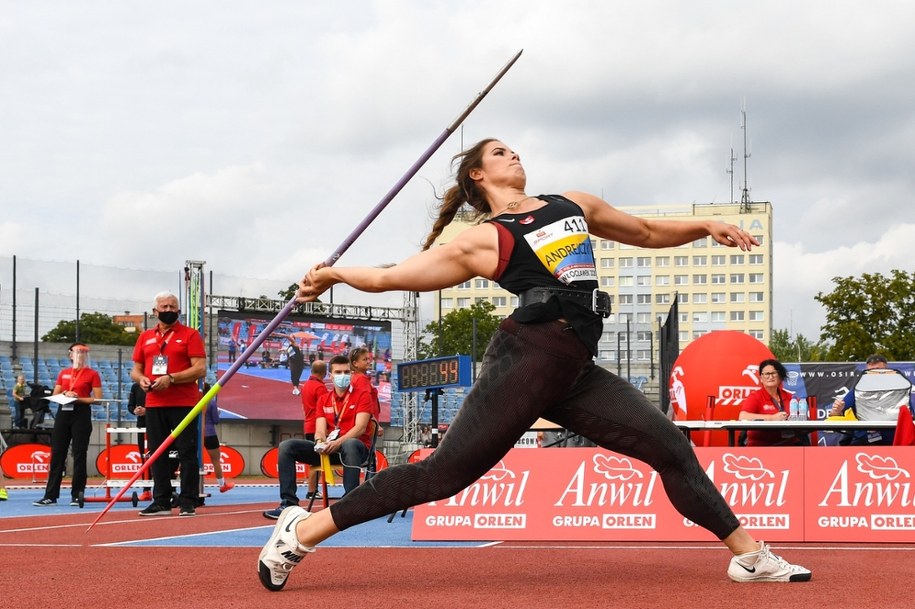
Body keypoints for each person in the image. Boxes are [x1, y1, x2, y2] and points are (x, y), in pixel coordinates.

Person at [257, 138, 811, 590]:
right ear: (477, 175)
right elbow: (391, 276)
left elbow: (643, 233)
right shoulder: (483, 239)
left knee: (669, 445)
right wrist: (333, 275)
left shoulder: (571, 204)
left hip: (573, 368)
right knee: (443, 476)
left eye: (514, 149)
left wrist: (703, 225)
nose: (514, 155)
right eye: (499, 153)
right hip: (527, 357)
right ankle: (302, 530)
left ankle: (748, 556)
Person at [262, 355, 373, 520]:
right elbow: (320, 430)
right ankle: (288, 504)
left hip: (357, 449)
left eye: (346, 372)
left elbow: (360, 428)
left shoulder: (362, 395)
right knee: (287, 446)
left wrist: (337, 442)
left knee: (350, 443)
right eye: (338, 372)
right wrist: (320, 442)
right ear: (330, 375)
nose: (343, 375)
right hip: (331, 448)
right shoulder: (324, 399)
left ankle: (351, 502)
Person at [131, 291, 206, 517]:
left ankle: (188, 501)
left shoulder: (190, 335)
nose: (168, 310)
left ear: (179, 310)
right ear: (155, 311)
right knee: (157, 452)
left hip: (183, 402)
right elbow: (135, 369)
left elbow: (200, 368)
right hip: (154, 402)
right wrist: (141, 379)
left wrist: (171, 378)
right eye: (164, 307)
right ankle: (161, 500)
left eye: (172, 306)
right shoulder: (145, 337)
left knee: (187, 452)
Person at [33, 342, 102, 507]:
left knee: (79, 454)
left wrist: (78, 398)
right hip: (63, 413)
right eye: (76, 352)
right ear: (70, 355)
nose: (79, 355)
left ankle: (77, 494)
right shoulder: (63, 373)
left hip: (81, 414)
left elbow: (98, 399)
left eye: (83, 353)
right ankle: (50, 495)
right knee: (57, 454)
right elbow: (55, 395)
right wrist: (65, 393)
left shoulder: (92, 373)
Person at [829, 354, 909, 445]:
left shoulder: (901, 389)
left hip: (895, 440)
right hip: (864, 441)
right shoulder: (858, 390)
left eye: (879, 370)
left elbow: (910, 414)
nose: (875, 374)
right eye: (871, 371)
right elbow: (836, 414)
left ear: (887, 370)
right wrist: (837, 411)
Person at [738, 359, 806, 447]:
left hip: (789, 444)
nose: (771, 377)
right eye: (767, 374)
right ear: (761, 379)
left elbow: (802, 417)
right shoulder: (755, 396)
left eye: (774, 373)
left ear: (780, 377)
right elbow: (743, 417)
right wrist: (772, 418)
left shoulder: (791, 397)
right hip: (761, 446)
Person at [300, 359, 329, 501]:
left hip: (309, 425)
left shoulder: (306, 386)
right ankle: (312, 490)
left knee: (315, 460)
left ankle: (312, 490)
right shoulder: (320, 388)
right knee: (317, 460)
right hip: (317, 427)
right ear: (324, 373)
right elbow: (325, 408)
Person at [202, 383, 233, 493]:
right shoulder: (211, 402)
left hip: (197, 434)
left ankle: (183, 484)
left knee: (190, 460)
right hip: (210, 434)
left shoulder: (194, 402)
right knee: (215, 461)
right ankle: (222, 485)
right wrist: (218, 413)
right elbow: (215, 420)